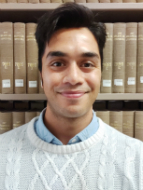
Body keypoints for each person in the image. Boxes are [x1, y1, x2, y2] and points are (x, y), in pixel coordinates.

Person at [0, 3, 143, 190]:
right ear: (41, 75)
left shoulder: (137, 159)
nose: (73, 78)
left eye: (87, 64)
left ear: (100, 73)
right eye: (58, 63)